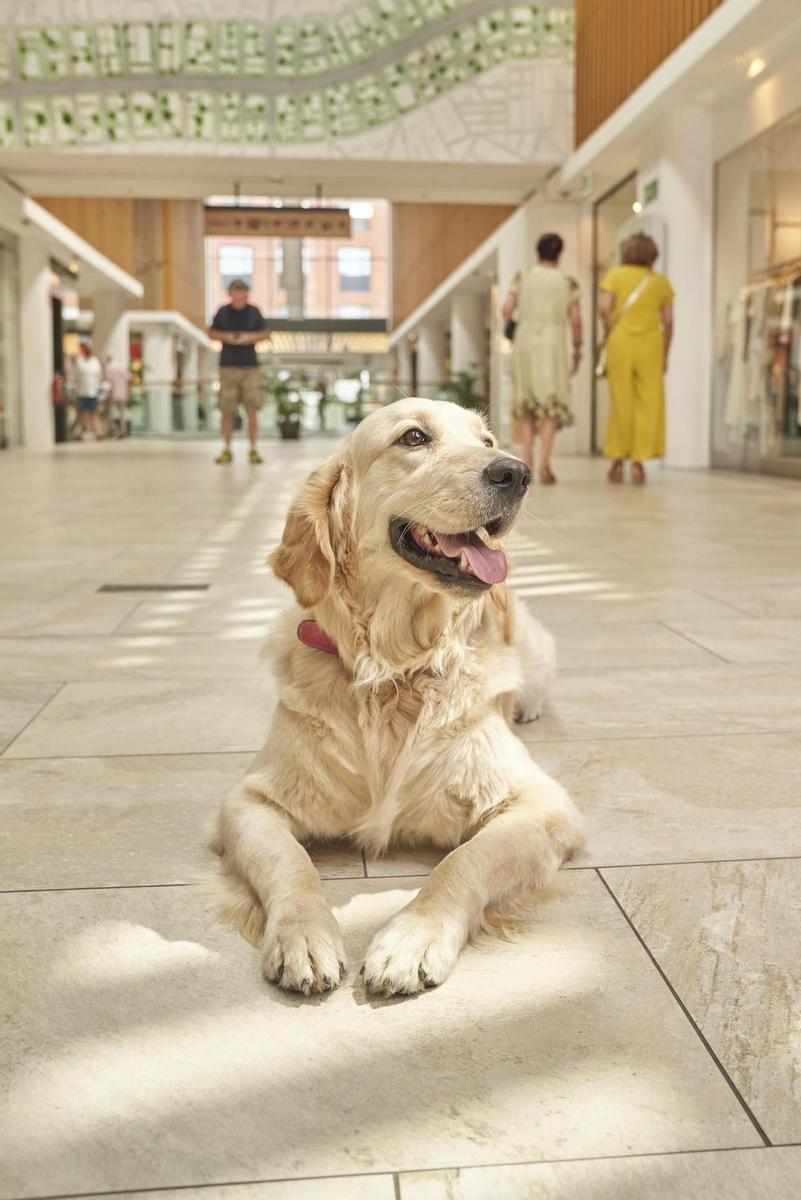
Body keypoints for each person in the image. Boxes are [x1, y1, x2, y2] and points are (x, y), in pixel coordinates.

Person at [502, 232, 582, 485]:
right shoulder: (567, 281)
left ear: (537, 253)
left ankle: (527, 459)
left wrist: (512, 328)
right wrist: (578, 349)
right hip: (554, 345)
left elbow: (506, 309)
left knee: (525, 400)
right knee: (551, 404)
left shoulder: (523, 276)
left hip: (525, 341)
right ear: (559, 254)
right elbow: (576, 320)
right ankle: (546, 462)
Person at [599, 233, 674, 485]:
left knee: (621, 402)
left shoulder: (615, 275)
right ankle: (639, 464)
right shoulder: (660, 282)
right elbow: (668, 321)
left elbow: (605, 308)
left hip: (621, 342)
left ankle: (618, 461)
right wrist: (665, 354)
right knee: (648, 403)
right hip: (651, 345)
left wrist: (610, 327)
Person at [208, 279, 266, 464]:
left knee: (252, 410)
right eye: (235, 290)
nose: (239, 294)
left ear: (246, 294)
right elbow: (211, 332)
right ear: (230, 293)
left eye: (242, 291)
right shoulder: (223, 312)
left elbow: (266, 333)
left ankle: (253, 449)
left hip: (250, 368)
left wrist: (250, 337)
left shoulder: (254, 312)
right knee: (227, 410)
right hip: (228, 367)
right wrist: (227, 337)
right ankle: (226, 449)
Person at [75, 342, 104, 440]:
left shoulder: (95, 362)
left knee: (94, 413)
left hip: (92, 392)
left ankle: (98, 433)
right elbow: (75, 376)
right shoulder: (79, 361)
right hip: (82, 392)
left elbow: (99, 376)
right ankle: (80, 433)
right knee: (81, 414)